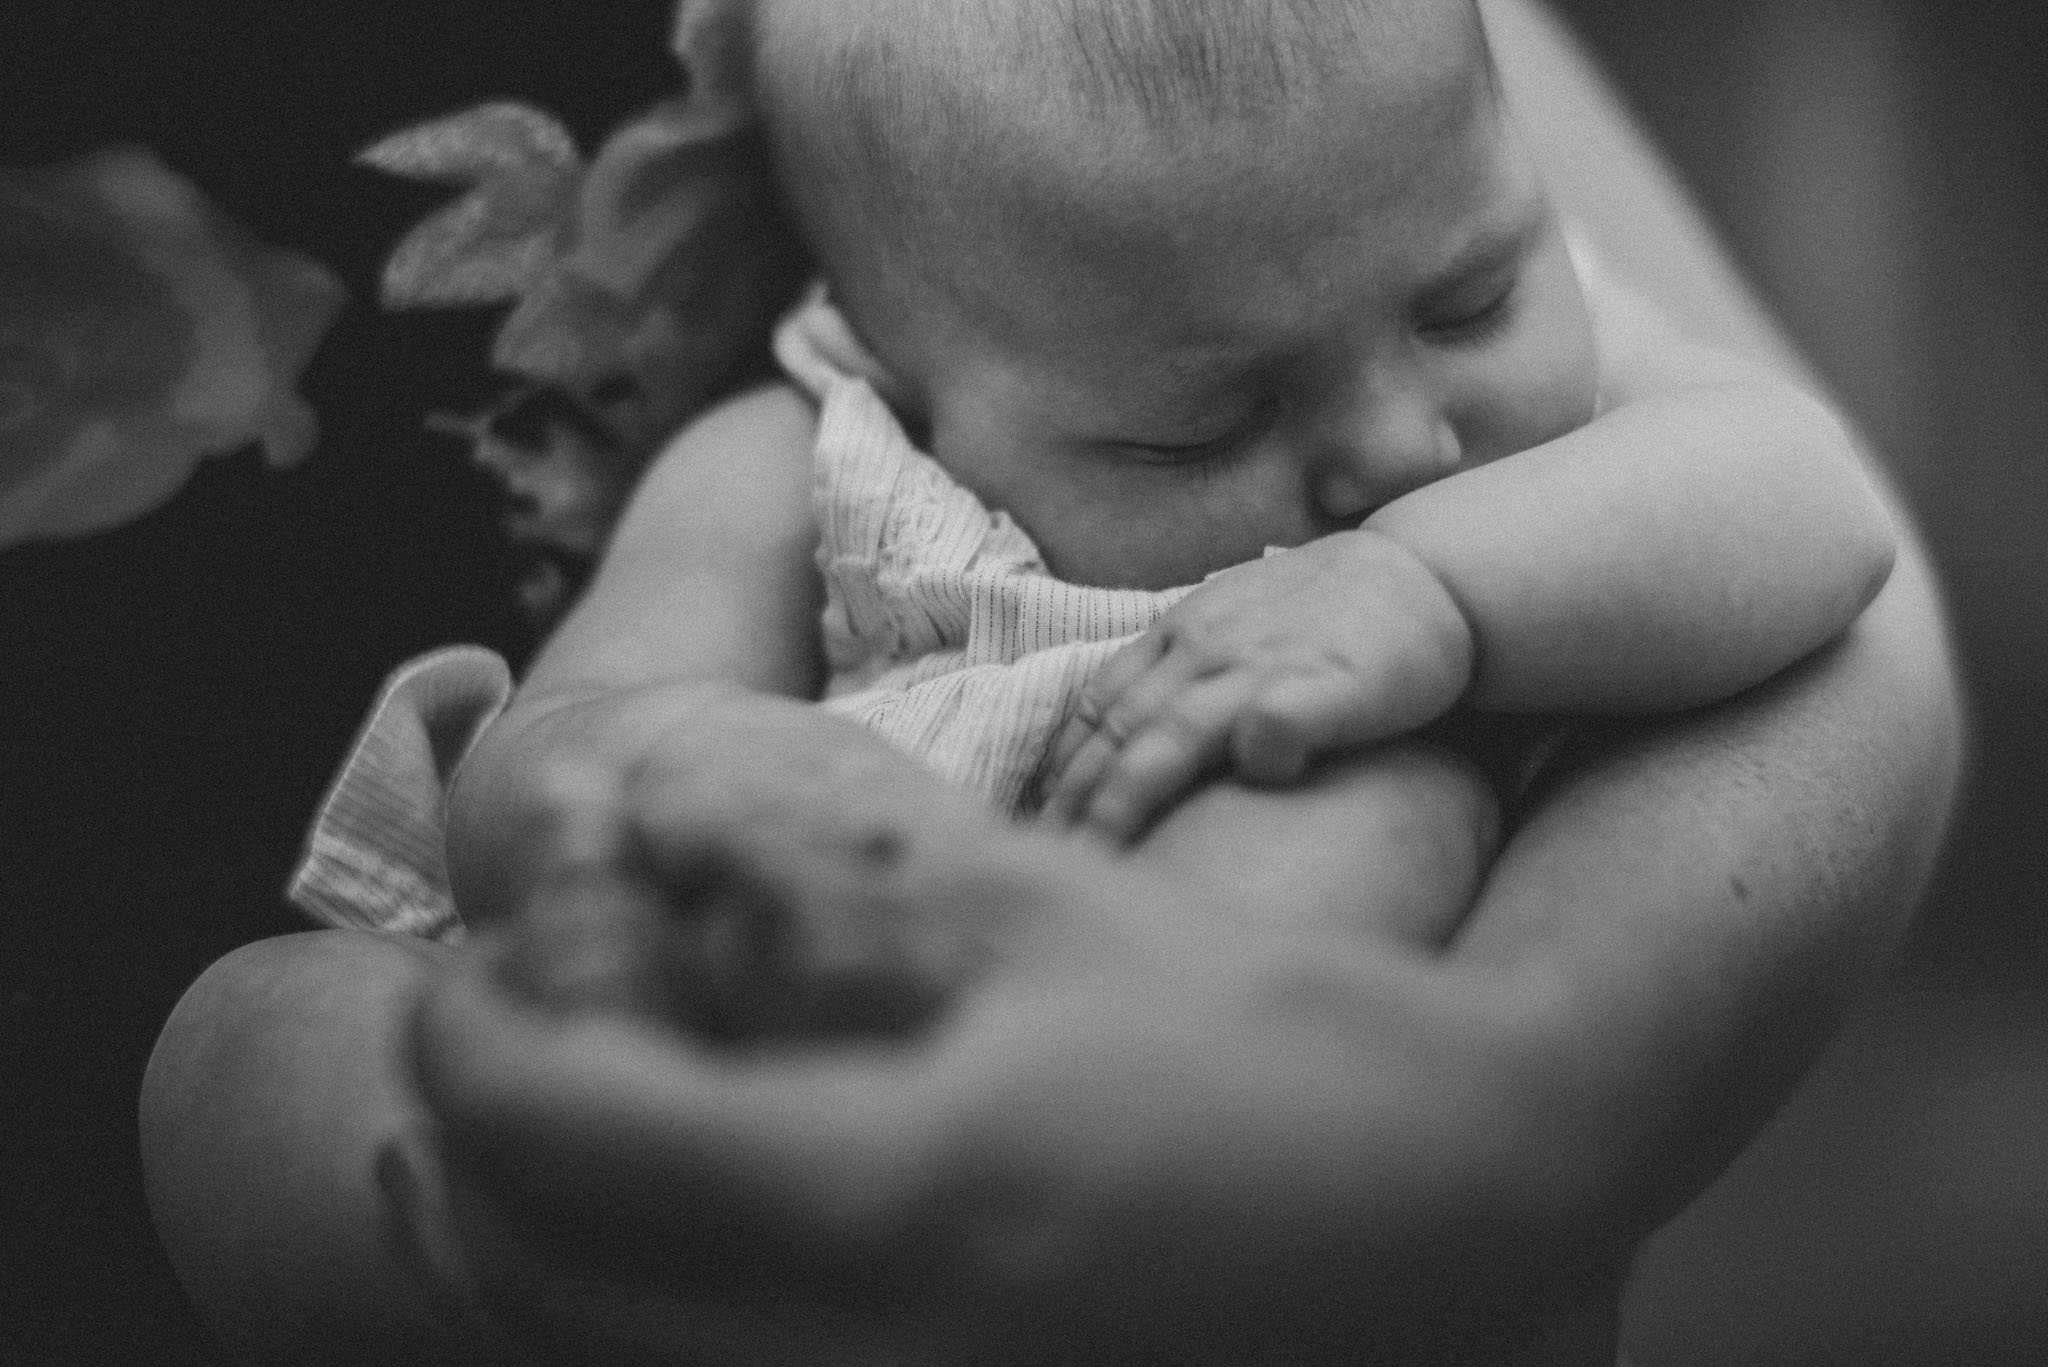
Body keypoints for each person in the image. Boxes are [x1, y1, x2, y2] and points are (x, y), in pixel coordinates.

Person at [138, 1, 1962, 1363]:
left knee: (1356, 794)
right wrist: (680, 779)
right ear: (902, 366)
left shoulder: (1471, 430)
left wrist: (1428, 595)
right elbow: (549, 750)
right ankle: (567, 1275)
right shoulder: (813, 456)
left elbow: (1805, 503)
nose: (1400, 440)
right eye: (1211, 416)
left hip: (1171, 1071)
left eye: (1472, 305)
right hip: (736, 983)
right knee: (250, 1028)